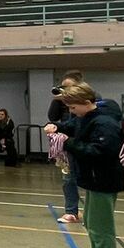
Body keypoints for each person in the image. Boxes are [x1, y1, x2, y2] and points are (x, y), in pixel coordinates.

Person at [47, 84, 124, 248]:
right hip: (92, 179)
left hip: (104, 179)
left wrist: (68, 143)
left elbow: (102, 152)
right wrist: (57, 128)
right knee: (90, 221)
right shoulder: (86, 118)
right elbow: (73, 127)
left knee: (102, 226)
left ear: (86, 103)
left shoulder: (104, 123)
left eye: (73, 108)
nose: (71, 113)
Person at [46, 71, 86, 223]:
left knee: (87, 179)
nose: (65, 91)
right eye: (63, 87)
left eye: (68, 87)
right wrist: (58, 100)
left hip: (84, 143)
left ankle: (90, 212)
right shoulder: (62, 101)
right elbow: (52, 117)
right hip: (67, 142)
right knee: (68, 178)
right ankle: (71, 211)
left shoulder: (90, 99)